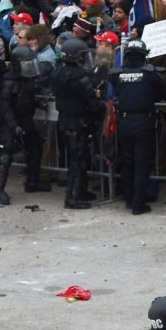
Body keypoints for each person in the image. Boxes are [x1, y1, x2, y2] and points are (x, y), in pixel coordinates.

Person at [109, 39, 166, 215]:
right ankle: (138, 204)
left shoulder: (117, 75)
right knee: (142, 164)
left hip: (124, 123)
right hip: (144, 124)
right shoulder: (150, 75)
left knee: (127, 163)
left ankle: (129, 199)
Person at [52, 37, 104, 209]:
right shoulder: (81, 77)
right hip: (78, 122)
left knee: (79, 159)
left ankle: (80, 191)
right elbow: (92, 102)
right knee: (77, 160)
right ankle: (72, 197)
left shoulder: (58, 72)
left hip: (64, 120)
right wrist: (100, 105)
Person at [0, 45, 50, 204]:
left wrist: (39, 104)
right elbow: (5, 105)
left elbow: (27, 99)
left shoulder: (28, 79)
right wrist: (14, 125)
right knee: (6, 154)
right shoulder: (9, 80)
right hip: (12, 122)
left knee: (35, 147)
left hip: (26, 119)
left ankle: (33, 182)